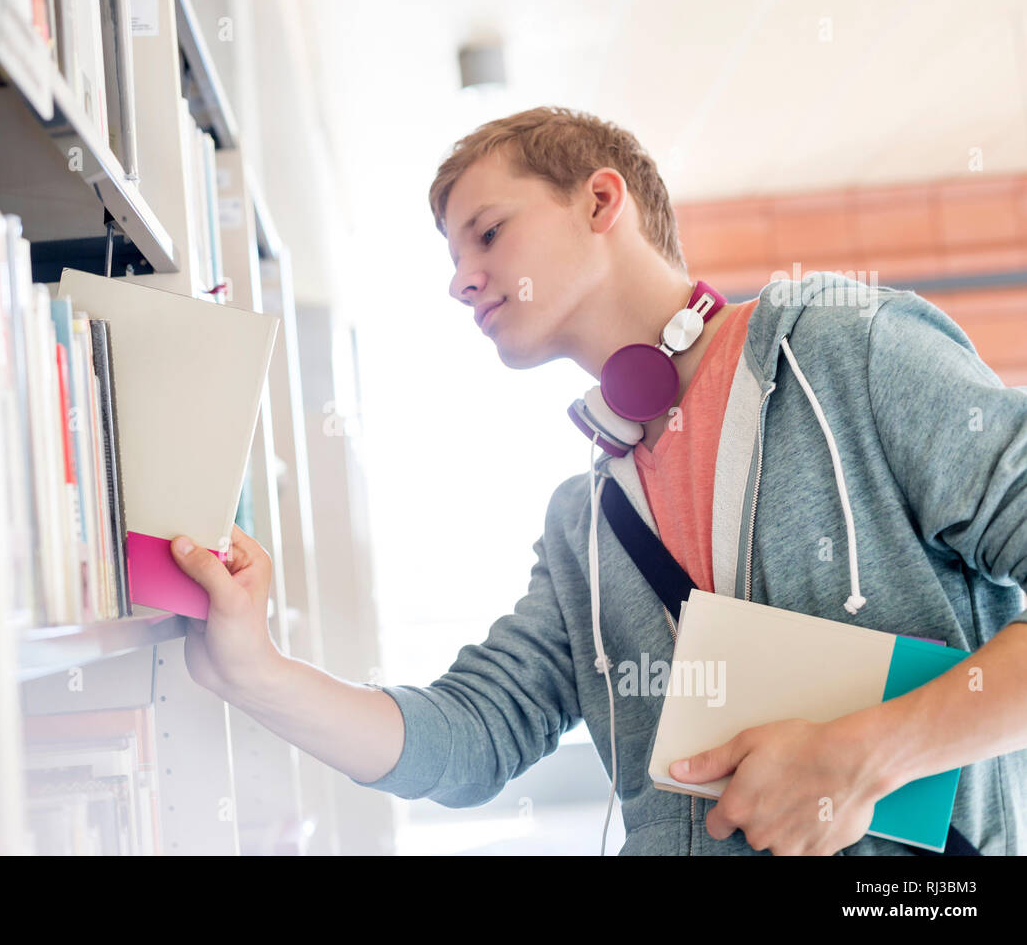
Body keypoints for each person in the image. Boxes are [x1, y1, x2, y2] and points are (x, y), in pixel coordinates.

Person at [168, 106, 1027, 855]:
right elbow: (469, 738)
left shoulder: (846, 354)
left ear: (600, 201)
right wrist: (257, 672)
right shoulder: (587, 521)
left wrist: (868, 754)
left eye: (489, 232)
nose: (460, 280)